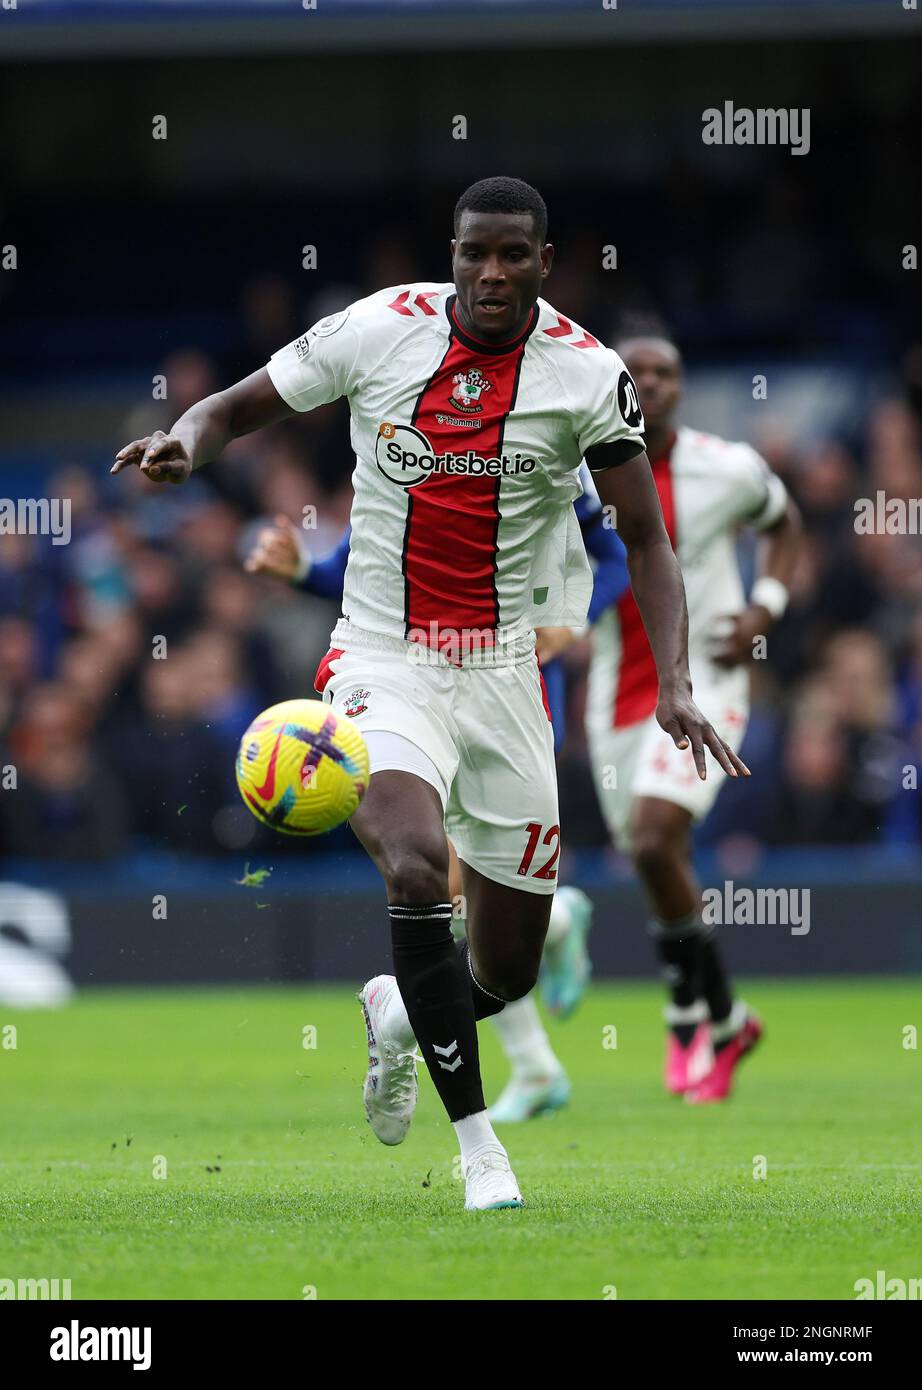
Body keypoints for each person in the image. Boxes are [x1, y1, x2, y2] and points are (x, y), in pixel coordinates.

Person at [113, 176, 747, 1211]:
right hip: (381, 654)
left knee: (505, 971)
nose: (490, 273)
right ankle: (480, 1148)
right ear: (451, 254)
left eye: (512, 256)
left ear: (544, 263)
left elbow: (645, 536)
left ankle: (397, 1011)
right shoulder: (379, 328)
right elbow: (238, 403)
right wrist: (190, 438)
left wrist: (674, 680)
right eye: (472, 253)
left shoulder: (587, 374)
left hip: (503, 673)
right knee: (414, 869)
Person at [244, 465, 632, 1123]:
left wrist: (573, 620)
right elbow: (362, 579)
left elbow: (618, 553)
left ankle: (535, 957)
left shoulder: (548, 429)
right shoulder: (406, 435)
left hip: (508, 699)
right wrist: (301, 572)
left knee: (468, 902)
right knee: (451, 893)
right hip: (413, 704)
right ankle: (537, 1039)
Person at [584, 336, 801, 1102]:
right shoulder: (577, 469)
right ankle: (730, 1016)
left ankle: (684, 1020)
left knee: (653, 835)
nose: (648, 382)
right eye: (634, 371)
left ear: (681, 387)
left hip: (706, 677)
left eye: (664, 372)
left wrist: (762, 607)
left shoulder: (727, 466)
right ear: (613, 382)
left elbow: (786, 524)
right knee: (655, 861)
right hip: (615, 690)